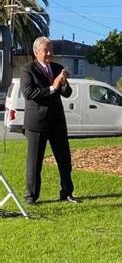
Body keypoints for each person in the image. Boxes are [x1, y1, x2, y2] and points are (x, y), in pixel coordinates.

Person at [20, 36, 79, 205]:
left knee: (64, 160)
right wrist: (53, 86)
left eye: (51, 50)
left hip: (57, 121)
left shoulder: (57, 67)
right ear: (36, 51)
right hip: (37, 123)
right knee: (34, 162)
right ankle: (31, 196)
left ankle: (67, 192)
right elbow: (30, 94)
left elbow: (66, 93)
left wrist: (64, 82)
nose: (49, 54)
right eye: (46, 50)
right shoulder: (27, 70)